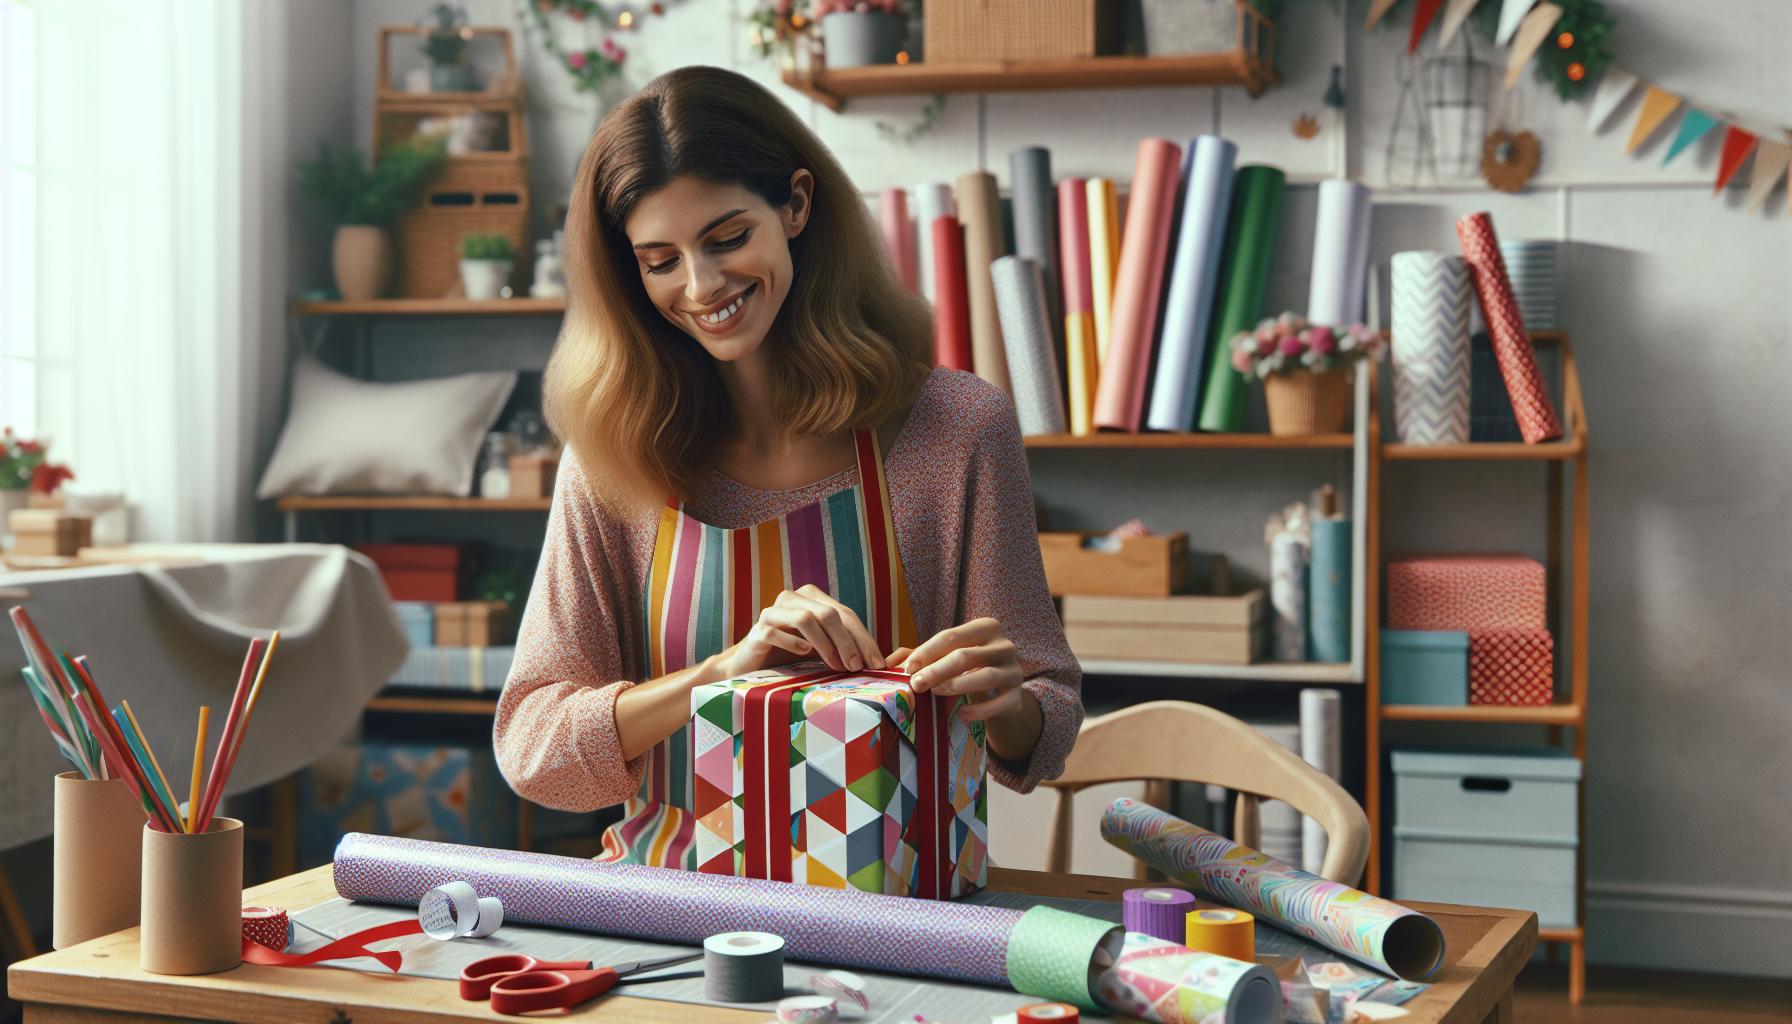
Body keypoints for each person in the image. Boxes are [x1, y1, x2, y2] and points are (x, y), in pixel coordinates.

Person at [494, 65, 1082, 869]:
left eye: (728, 238)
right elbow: (533, 750)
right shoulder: (611, 457)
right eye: (660, 259)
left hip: (894, 929)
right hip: (665, 919)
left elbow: (1046, 728)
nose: (702, 286)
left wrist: (1002, 698)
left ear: (797, 205)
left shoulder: (955, 429)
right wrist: (720, 675)